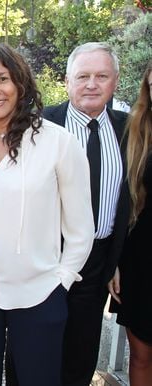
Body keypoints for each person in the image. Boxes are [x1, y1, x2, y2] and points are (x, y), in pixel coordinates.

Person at [0, 44, 94, 386]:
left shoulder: (58, 143)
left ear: (20, 83)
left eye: (2, 79)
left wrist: (59, 282)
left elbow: (80, 229)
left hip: (39, 296)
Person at [41, 42, 130, 386]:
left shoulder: (130, 129)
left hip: (98, 262)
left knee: (81, 353)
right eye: (83, 76)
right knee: (33, 349)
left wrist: (118, 258)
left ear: (115, 82)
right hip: (46, 257)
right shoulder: (41, 124)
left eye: (101, 76)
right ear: (67, 81)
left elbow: (133, 201)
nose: (92, 84)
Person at [108, 60, 152, 385]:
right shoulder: (135, 130)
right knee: (140, 356)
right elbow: (122, 201)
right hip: (142, 259)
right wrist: (116, 260)